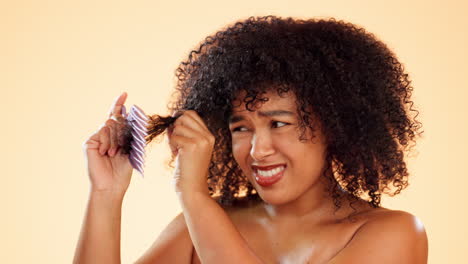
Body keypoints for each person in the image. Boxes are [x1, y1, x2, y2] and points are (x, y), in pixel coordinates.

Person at [74, 15, 428, 263]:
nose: (258, 151)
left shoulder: (392, 234)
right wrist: (105, 194)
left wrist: (193, 195)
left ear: (335, 125)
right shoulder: (200, 224)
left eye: (278, 124)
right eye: (241, 127)